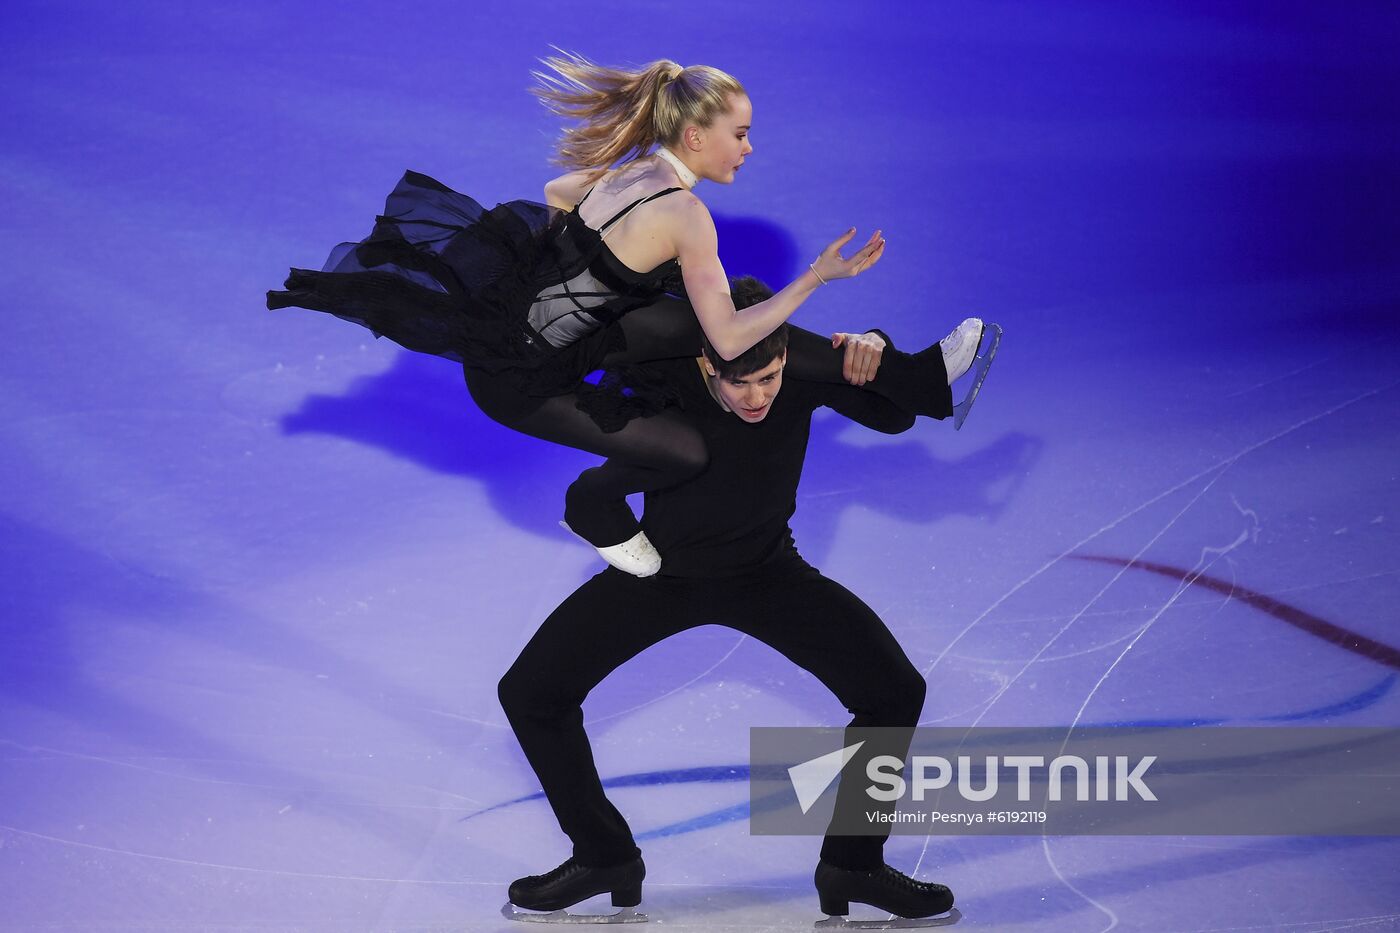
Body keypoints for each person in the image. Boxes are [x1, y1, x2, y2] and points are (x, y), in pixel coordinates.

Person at [266, 52, 988, 576]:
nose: (750, 147)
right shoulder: (685, 213)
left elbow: (558, 188)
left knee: (723, 307)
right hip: (520, 380)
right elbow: (729, 335)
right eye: (741, 133)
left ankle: (916, 379)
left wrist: (616, 267)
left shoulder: (633, 172)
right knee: (689, 443)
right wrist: (817, 277)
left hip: (573, 335)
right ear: (697, 138)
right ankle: (593, 508)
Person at [496, 276, 957, 923]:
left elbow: (893, 414)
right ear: (706, 360)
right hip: (659, 577)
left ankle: (853, 864)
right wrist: (616, 533)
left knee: (894, 691)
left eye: (768, 378)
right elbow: (596, 469)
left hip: (767, 573)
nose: (756, 395)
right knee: (530, 693)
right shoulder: (662, 381)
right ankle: (604, 855)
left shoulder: (798, 376)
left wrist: (871, 353)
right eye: (738, 382)